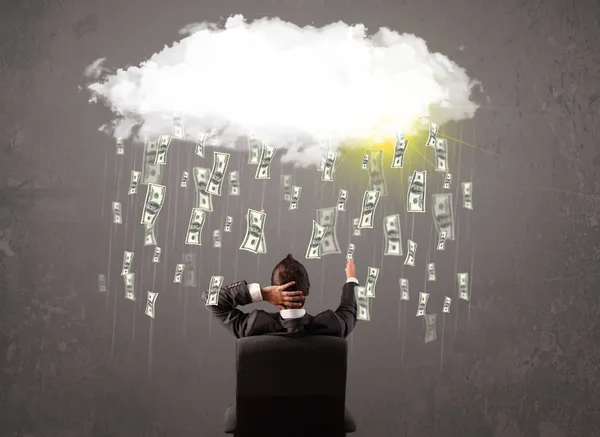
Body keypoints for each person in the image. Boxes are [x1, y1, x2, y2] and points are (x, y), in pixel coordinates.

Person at [201, 254, 359, 338]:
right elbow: (350, 308)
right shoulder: (332, 325)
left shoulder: (253, 327)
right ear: (308, 290)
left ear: (274, 293)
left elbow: (211, 299)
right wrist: (351, 277)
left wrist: (262, 293)